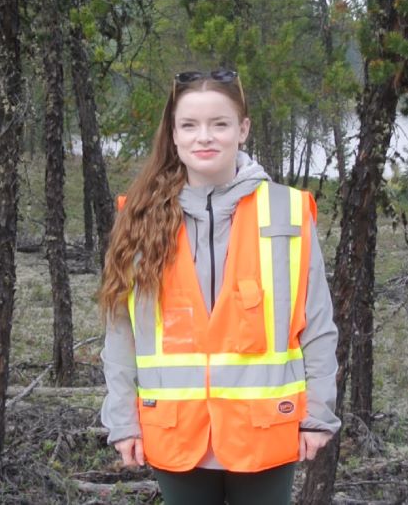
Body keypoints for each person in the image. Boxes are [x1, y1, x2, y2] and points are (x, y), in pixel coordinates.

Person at [99, 69, 340, 505]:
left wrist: (318, 416)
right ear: (172, 134)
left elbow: (318, 324)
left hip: (264, 431)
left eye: (220, 124)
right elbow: (122, 333)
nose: (203, 137)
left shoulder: (286, 212)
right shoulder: (138, 217)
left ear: (243, 129)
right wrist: (123, 420)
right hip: (175, 434)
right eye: (189, 125)